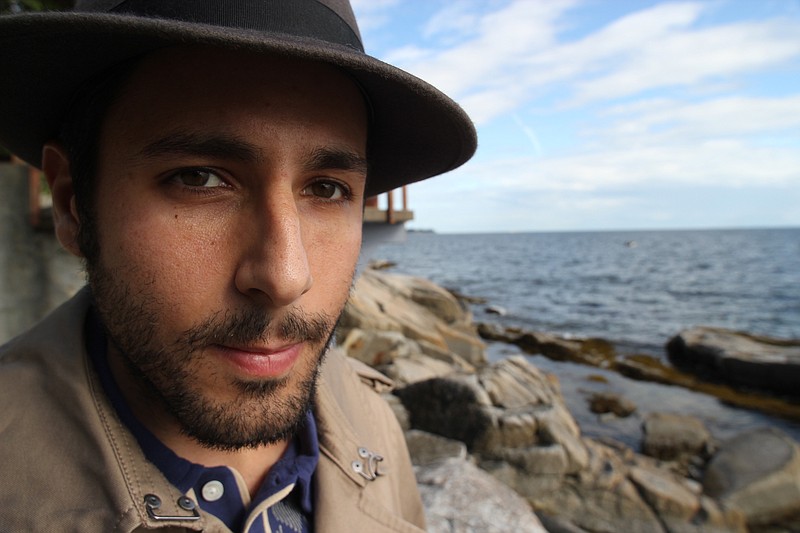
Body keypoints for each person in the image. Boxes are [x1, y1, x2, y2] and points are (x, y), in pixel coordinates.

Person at [0, 1, 476, 531]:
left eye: (327, 188)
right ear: (73, 203)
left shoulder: (370, 418)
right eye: (200, 178)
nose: (286, 277)